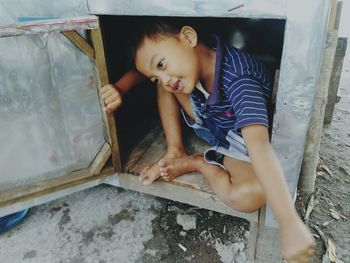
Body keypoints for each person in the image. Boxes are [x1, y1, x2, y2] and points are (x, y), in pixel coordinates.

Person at [101, 19, 314, 262]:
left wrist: (287, 222)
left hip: (238, 138)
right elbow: (144, 71)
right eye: (156, 75)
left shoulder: (239, 80)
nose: (164, 77)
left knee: (249, 197)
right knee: (166, 86)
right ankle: (175, 151)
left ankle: (199, 163)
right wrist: (120, 87)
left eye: (161, 64)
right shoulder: (185, 66)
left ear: (189, 38)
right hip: (209, 118)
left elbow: (259, 145)